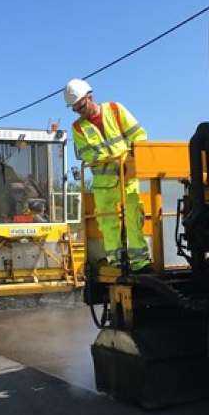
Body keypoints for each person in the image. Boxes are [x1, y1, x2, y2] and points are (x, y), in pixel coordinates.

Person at [64, 78, 152, 272]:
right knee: (107, 222)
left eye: (81, 106)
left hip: (127, 177)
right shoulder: (77, 128)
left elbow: (139, 135)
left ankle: (140, 262)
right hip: (103, 184)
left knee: (133, 217)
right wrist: (113, 157)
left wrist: (128, 157)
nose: (80, 112)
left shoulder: (115, 110)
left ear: (90, 97)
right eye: (76, 109)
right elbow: (86, 153)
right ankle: (116, 262)